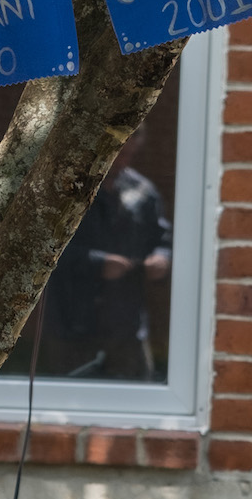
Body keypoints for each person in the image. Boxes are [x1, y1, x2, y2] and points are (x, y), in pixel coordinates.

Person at [49, 163, 172, 380]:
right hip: (73, 321)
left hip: (127, 323)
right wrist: (97, 263)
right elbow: (46, 247)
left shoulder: (142, 190)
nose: (124, 152)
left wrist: (162, 258)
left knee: (135, 396)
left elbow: (163, 240)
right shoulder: (70, 185)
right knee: (69, 399)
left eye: (131, 144)